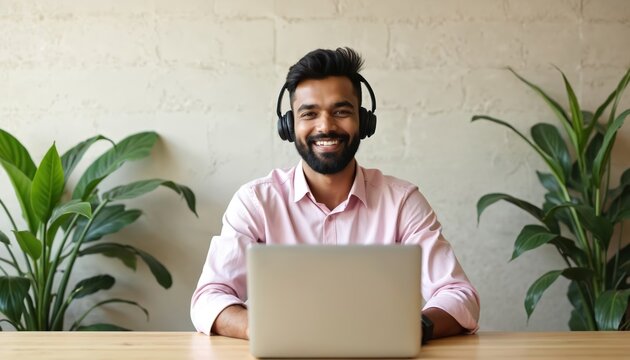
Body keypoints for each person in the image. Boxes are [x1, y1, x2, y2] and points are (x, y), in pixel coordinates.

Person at [191, 47, 480, 341]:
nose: (326, 126)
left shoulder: (402, 201)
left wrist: (410, 328)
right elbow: (209, 298)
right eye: (310, 113)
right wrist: (261, 328)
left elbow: (459, 295)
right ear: (289, 125)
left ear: (364, 122)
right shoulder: (256, 202)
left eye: (341, 112)